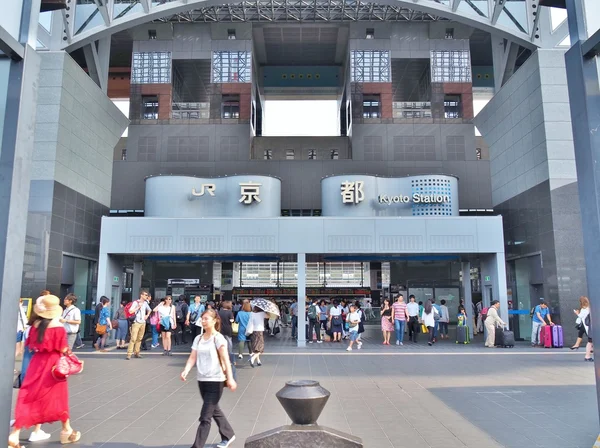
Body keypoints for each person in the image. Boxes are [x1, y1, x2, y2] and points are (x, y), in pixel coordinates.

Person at [9, 295, 81, 447]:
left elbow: (30, 345)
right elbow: (63, 348)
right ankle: (66, 431)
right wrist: (72, 358)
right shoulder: (58, 328)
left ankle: (15, 434)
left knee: (29, 396)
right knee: (58, 398)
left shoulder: (34, 325)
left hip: (36, 364)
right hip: (53, 367)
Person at [181, 309, 237, 448]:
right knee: (214, 410)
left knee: (205, 417)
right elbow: (193, 357)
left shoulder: (218, 338)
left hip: (216, 380)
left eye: (206, 318)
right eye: (202, 318)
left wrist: (230, 379)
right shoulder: (198, 338)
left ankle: (197, 446)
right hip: (202, 380)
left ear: (214, 320)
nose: (203, 321)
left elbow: (225, 360)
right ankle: (228, 434)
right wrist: (186, 370)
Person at [126, 289, 152, 360]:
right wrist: (138, 307)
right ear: (141, 295)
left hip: (143, 322)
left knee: (140, 338)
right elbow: (130, 311)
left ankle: (137, 352)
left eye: (147, 295)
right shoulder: (135, 302)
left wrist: (147, 315)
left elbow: (150, 310)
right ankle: (129, 354)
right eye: (145, 295)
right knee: (133, 338)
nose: (147, 296)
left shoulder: (145, 303)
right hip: (136, 322)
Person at [218, 300, 236, 378]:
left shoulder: (220, 312)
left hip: (221, 329)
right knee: (229, 341)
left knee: (221, 341)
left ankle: (221, 351)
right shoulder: (229, 312)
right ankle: (230, 353)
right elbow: (232, 321)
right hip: (228, 328)